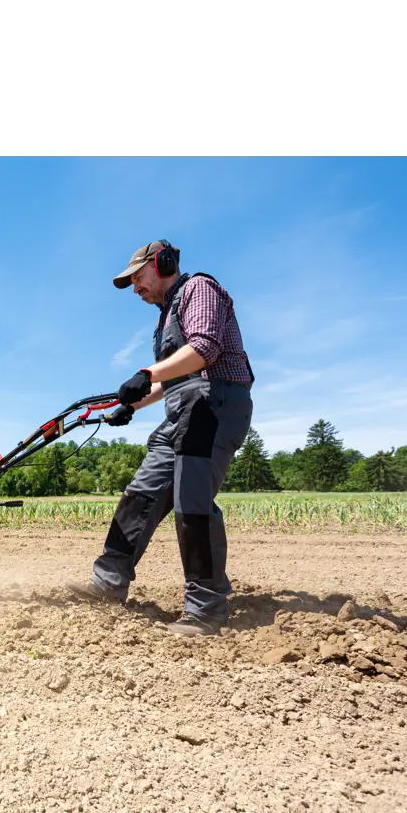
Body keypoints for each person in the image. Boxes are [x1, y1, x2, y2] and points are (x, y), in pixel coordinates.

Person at [68, 239, 255, 636]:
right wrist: (130, 406)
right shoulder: (164, 317)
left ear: (162, 263)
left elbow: (204, 349)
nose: (135, 288)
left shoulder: (198, 290)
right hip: (184, 410)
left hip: (215, 403)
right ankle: (107, 584)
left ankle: (206, 610)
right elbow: (172, 378)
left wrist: (147, 373)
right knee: (140, 495)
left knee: (193, 503)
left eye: (138, 278)